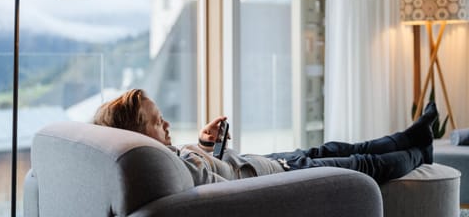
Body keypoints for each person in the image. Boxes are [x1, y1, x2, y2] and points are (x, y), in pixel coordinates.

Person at [93, 88, 437, 185]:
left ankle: (410, 135)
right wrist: (200, 152)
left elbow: (205, 165)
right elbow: (202, 176)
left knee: (332, 147)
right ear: (136, 134)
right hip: (279, 175)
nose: (166, 125)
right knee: (362, 164)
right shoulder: (165, 165)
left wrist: (205, 144)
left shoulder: (167, 158)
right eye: (157, 122)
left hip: (268, 163)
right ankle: (421, 152)